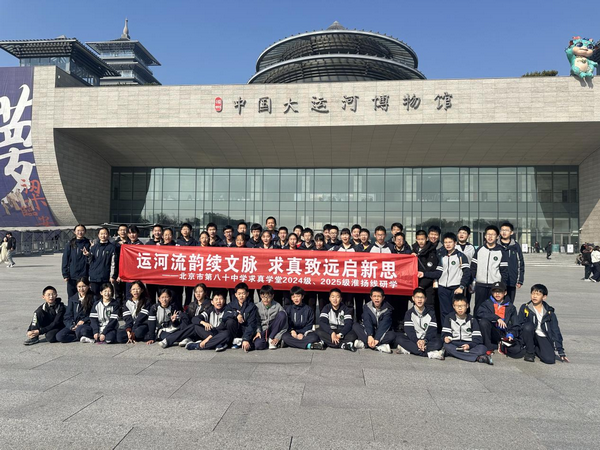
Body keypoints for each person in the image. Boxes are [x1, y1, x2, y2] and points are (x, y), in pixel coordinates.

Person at [518, 284, 569, 364]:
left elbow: (555, 330)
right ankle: (530, 352)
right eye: (533, 293)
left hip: (543, 336)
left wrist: (560, 351)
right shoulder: (525, 308)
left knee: (549, 360)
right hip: (530, 334)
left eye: (538, 294)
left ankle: (535, 348)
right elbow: (519, 324)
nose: (535, 296)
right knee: (527, 327)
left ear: (544, 297)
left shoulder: (549, 312)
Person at [476, 281, 523, 358]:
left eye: (500, 292)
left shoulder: (511, 307)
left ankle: (500, 344)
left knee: (516, 351)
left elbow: (515, 324)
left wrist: (511, 334)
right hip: (491, 331)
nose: (497, 294)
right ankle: (489, 347)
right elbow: (480, 313)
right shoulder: (487, 303)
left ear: (505, 293)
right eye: (495, 291)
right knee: (483, 322)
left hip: (504, 333)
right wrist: (496, 318)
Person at [395, 288, 444, 359]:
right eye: (417, 297)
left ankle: (409, 350)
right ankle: (430, 354)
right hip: (414, 340)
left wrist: (424, 341)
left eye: (422, 297)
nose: (419, 300)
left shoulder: (431, 313)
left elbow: (432, 330)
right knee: (399, 339)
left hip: (427, 340)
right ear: (413, 298)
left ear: (426, 299)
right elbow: (409, 331)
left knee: (438, 343)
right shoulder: (409, 313)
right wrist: (417, 341)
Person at [442, 294, 492, 364]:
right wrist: (446, 338)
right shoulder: (449, 318)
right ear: (453, 306)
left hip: (469, 344)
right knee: (446, 346)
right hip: (454, 343)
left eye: (462, 306)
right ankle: (477, 358)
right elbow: (445, 334)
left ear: (467, 306)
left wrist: (469, 346)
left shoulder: (472, 320)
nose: (460, 308)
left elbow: (478, 339)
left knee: (482, 348)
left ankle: (454, 353)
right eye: (457, 306)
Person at [471, 225, 508, 313]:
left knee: (494, 309)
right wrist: (471, 282)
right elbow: (473, 268)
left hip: (494, 286)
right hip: (480, 285)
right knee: (479, 308)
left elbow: (504, 271)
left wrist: (502, 286)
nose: (490, 237)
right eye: (488, 234)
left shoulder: (501, 251)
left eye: (493, 235)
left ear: (497, 237)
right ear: (485, 236)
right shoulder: (479, 250)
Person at [436, 232, 470, 325]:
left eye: (450, 242)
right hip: (442, 287)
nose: (448, 244)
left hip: (456, 288)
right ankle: (445, 330)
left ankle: (456, 330)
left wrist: (461, 286)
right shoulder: (442, 256)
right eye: (445, 242)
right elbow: (438, 272)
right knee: (444, 311)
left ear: (455, 243)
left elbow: (467, 273)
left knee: (456, 311)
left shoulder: (461, 256)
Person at [353, 287, 395, 353]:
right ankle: (378, 346)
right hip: (371, 331)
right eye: (374, 296)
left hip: (381, 332)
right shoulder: (367, 307)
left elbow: (384, 325)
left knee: (392, 335)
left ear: (383, 298)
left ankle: (366, 344)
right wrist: (370, 335)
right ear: (371, 297)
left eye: (379, 296)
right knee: (355, 326)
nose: (376, 298)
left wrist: (377, 339)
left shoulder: (388, 309)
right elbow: (367, 321)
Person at [56, 277, 95, 343]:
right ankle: (79, 337)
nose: (81, 289)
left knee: (83, 331)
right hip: (75, 324)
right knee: (59, 336)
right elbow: (67, 316)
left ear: (89, 286)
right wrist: (71, 326)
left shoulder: (93, 298)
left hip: (87, 324)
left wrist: (84, 320)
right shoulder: (73, 299)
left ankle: (83, 335)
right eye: (79, 287)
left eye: (84, 286)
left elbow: (95, 314)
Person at [222, 282, 259, 352]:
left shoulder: (252, 306)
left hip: (246, 330)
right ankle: (232, 341)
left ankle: (242, 341)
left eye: (243, 293)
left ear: (247, 294)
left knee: (256, 345)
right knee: (230, 322)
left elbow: (251, 324)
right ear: (235, 295)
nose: (241, 296)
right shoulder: (231, 305)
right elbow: (224, 316)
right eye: (239, 294)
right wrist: (236, 314)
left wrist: (246, 339)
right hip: (235, 330)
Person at [254, 285, 288, 350]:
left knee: (282, 314)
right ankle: (269, 342)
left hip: (274, 330)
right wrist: (258, 331)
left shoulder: (277, 306)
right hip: (263, 330)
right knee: (258, 345)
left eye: (268, 297)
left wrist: (278, 337)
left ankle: (271, 338)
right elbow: (256, 322)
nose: (266, 299)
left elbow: (284, 324)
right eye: (263, 297)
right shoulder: (257, 307)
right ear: (260, 296)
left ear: (272, 296)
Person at [86, 227, 116, 299]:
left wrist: (112, 276)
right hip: (94, 277)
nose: (103, 236)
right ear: (98, 235)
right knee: (94, 297)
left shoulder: (111, 247)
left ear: (108, 235)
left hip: (105, 277)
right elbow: (90, 262)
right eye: (101, 234)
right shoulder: (94, 247)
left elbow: (113, 263)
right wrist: (88, 255)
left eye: (105, 234)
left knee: (106, 296)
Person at [498, 222, 525, 303]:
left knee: (509, 303)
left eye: (506, 230)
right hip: (498, 280)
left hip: (511, 279)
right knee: (496, 304)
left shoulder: (515, 246)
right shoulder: (496, 245)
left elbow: (520, 262)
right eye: (502, 230)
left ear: (511, 232)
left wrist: (520, 280)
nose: (504, 232)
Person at [61, 224, 91, 299]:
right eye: (78, 230)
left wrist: (89, 254)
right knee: (71, 296)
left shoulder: (89, 243)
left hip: (84, 274)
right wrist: (65, 274)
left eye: (82, 230)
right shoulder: (70, 244)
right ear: (74, 232)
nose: (80, 232)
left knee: (84, 295)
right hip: (72, 275)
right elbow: (65, 259)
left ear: (85, 232)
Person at [412, 229, 439, 309]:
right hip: (416, 285)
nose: (420, 241)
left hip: (427, 286)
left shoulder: (431, 251)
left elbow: (431, 270)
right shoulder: (414, 250)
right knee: (417, 308)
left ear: (426, 239)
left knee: (428, 307)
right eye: (419, 239)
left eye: (422, 239)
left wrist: (421, 286)